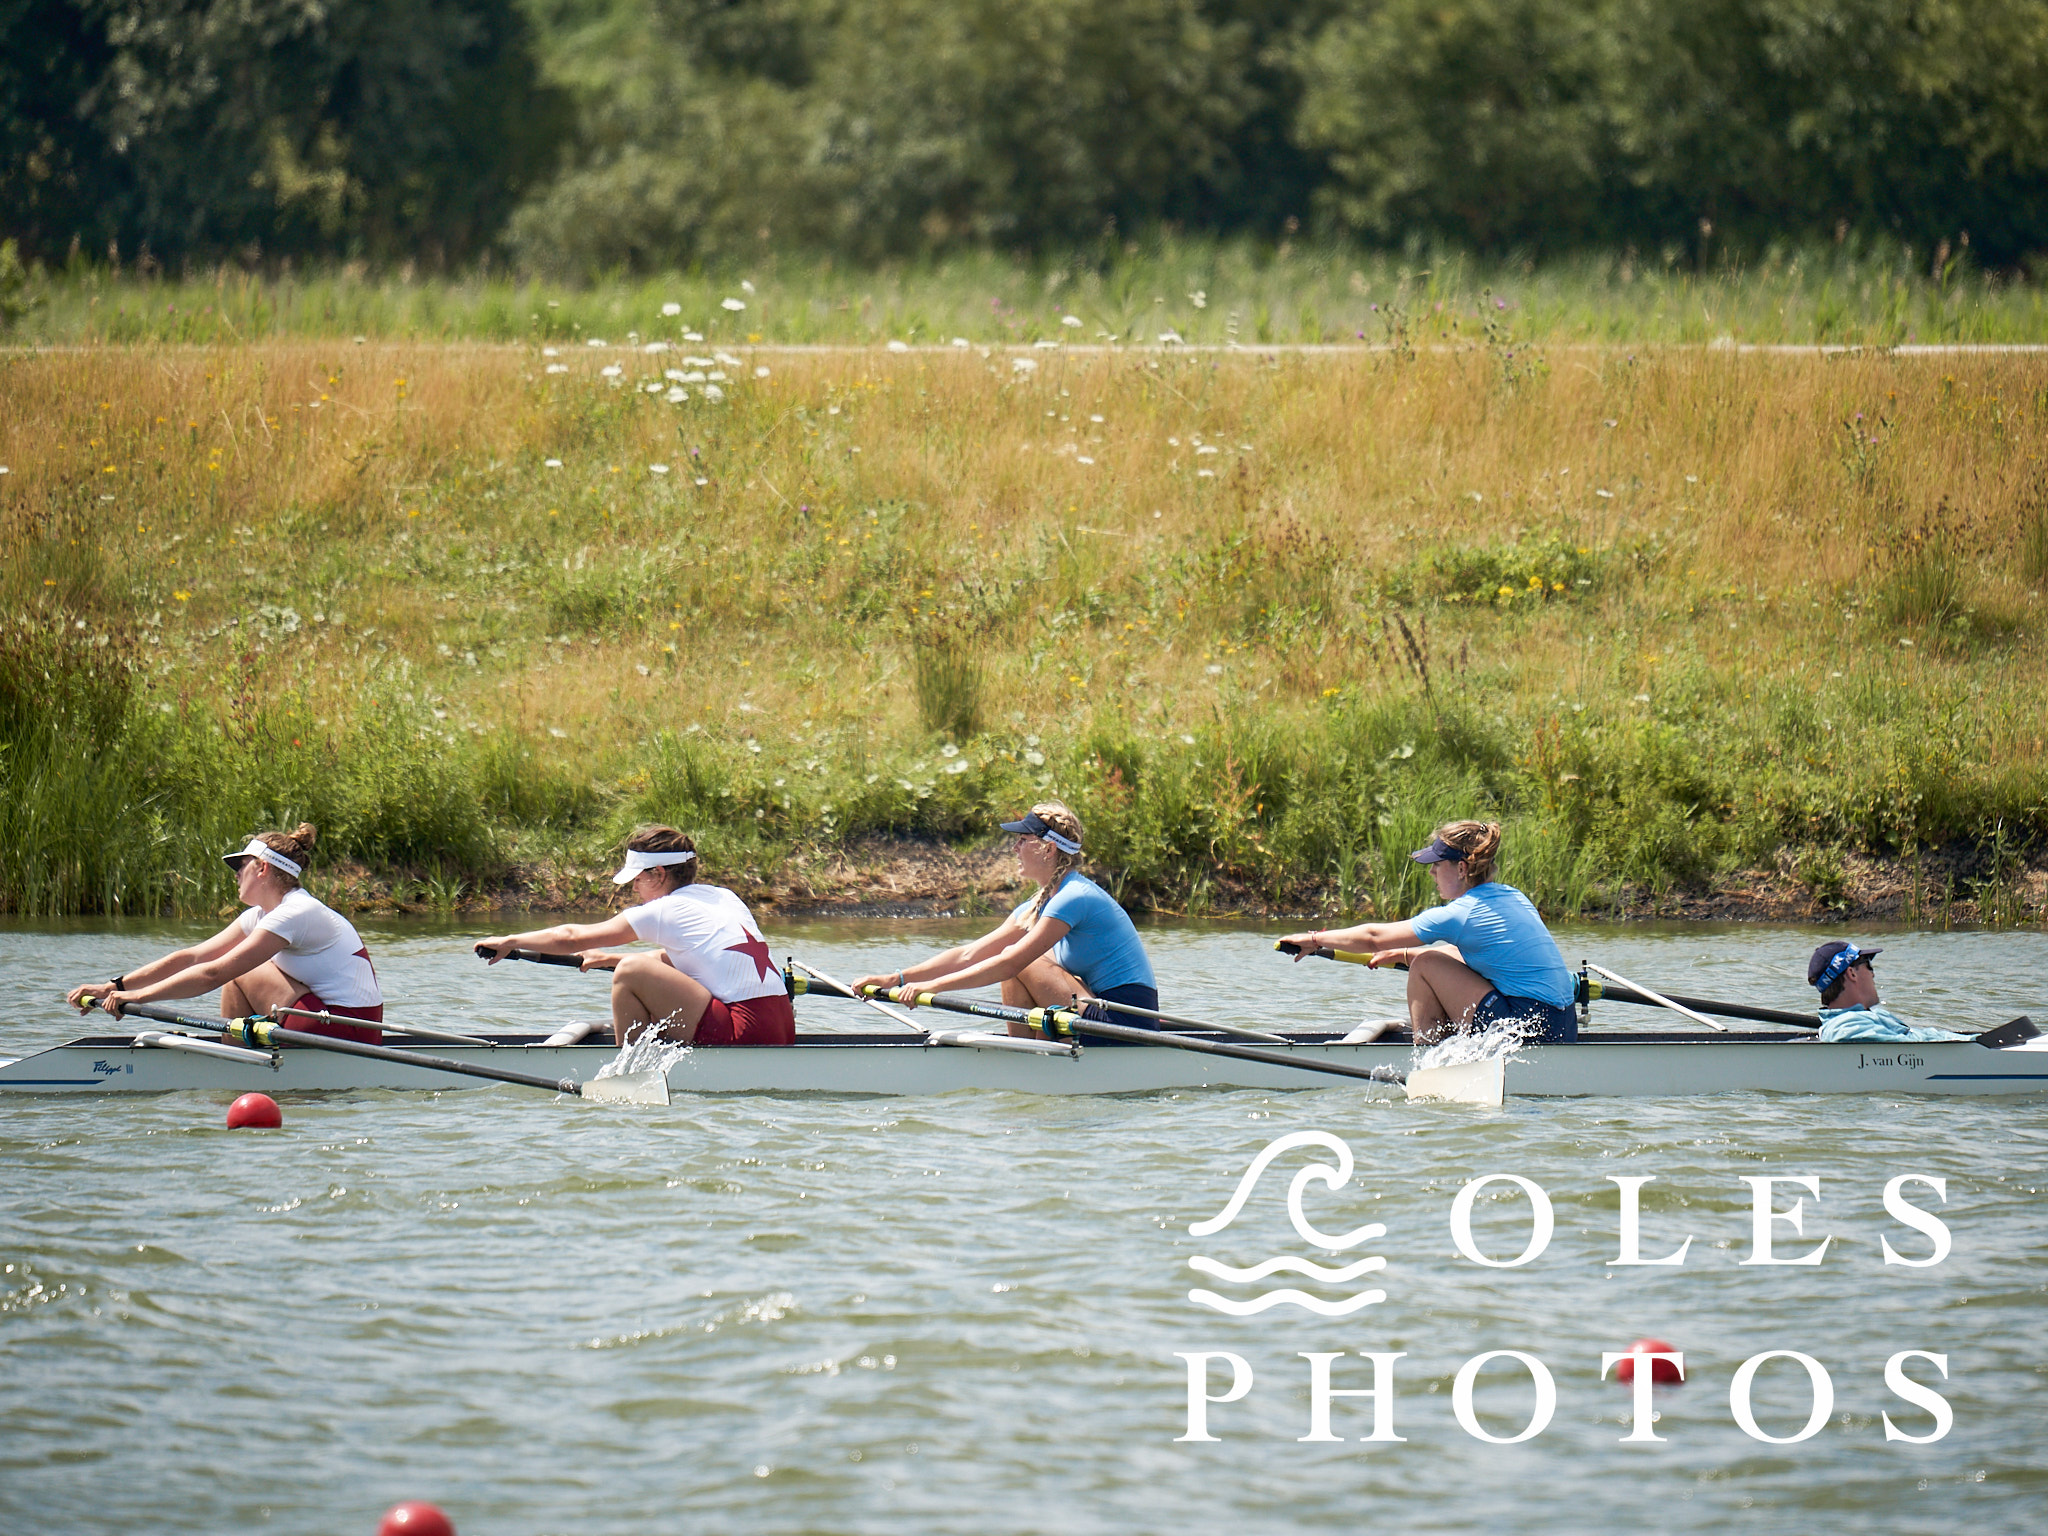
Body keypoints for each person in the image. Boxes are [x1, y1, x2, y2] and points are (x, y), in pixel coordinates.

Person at [851, 801, 1158, 1039]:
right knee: (1014, 960)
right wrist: (897, 979)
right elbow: (969, 954)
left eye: (1022, 840)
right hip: (1094, 1013)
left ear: (1048, 849)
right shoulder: (1036, 906)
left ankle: (1032, 1057)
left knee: (1019, 960)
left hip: (1125, 1024)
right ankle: (1025, 1053)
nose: (1014, 848)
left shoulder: (1075, 896)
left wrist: (932, 987)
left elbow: (1011, 962)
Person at [476, 825, 794, 1047]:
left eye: (637, 879)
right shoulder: (723, 897)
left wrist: (510, 941)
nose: (634, 888)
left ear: (658, 874)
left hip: (743, 1033)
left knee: (630, 973)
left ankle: (629, 1069)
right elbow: (684, 960)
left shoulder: (665, 910)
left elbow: (571, 937)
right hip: (781, 1029)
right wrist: (610, 958)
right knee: (631, 965)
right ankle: (653, 1051)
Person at [65, 825, 385, 1042]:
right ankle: (237, 1057)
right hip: (324, 1022)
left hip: (349, 1031)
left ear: (262, 868)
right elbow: (192, 957)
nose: (235, 875)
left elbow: (213, 973)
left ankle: (236, 1061)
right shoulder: (261, 915)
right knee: (236, 970)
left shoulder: (296, 912)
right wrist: (113, 987)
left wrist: (138, 997)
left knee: (237, 970)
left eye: (240, 866)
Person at [1279, 820, 1576, 1044]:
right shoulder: (1513, 896)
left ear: (1462, 869)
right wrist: (1404, 953)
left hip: (1525, 1032)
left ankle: (1428, 1057)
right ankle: (1451, 1044)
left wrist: (1314, 939)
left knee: (1425, 965)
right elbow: (1467, 954)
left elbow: (1373, 938)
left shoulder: (1461, 913)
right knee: (1426, 957)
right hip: (1562, 1026)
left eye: (1437, 864)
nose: (1431, 872)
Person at [1808, 941, 1965, 1042]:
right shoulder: (1847, 1027)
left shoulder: (1875, 1016)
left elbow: (1923, 1036)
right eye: (1868, 966)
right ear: (1852, 973)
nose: (1873, 974)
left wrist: (1970, 1040)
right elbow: (1910, 1048)